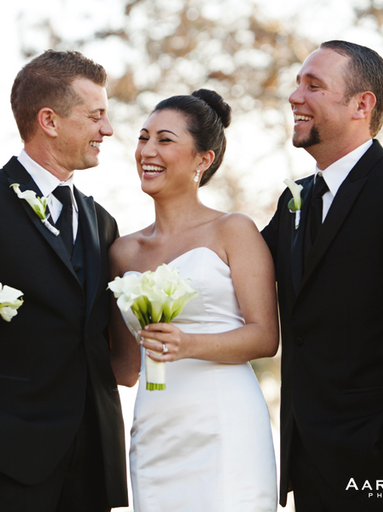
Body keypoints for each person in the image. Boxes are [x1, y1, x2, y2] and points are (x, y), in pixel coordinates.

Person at [0, 50, 128, 512]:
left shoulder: (103, 223)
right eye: (96, 116)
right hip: (4, 457)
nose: (108, 130)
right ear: (49, 120)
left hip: (92, 460)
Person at [261, 40, 383, 511]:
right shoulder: (296, 200)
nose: (295, 96)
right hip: (307, 460)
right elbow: (239, 269)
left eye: (313, 85)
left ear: (361, 105)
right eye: (297, 83)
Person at [109, 89, 279, 512]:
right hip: (154, 430)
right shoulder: (122, 252)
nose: (147, 150)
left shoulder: (233, 230)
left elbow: (265, 337)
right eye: (143, 137)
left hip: (224, 422)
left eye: (165, 140)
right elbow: (126, 369)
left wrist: (187, 345)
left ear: (204, 159)